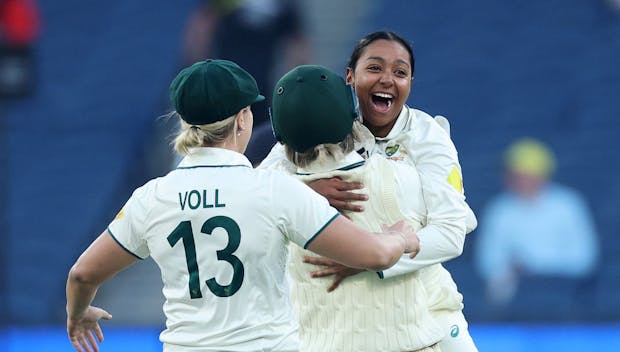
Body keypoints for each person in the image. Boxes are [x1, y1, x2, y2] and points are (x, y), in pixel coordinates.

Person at [64, 59, 421, 352]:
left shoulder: (152, 197)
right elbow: (374, 255)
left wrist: (78, 313)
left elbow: (83, 274)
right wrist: (401, 237)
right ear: (242, 120)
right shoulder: (274, 190)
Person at [261, 31, 478, 351]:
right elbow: (258, 187)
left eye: (400, 72)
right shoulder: (326, 123)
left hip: (431, 311)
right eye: (375, 68)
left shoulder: (427, 136)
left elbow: (451, 234)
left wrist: (371, 256)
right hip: (335, 323)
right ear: (350, 77)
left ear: (410, 84)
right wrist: (307, 190)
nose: (388, 79)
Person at [474, 138, 599, 307]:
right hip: (516, 297)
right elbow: (487, 261)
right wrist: (512, 270)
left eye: (526, 175)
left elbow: (584, 258)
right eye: (515, 175)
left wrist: (535, 267)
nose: (520, 181)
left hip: (566, 294)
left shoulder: (568, 205)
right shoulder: (499, 209)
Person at [181, 0, 309, 164]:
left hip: (260, 90)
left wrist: (296, 85)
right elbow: (202, 27)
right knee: (216, 145)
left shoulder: (281, 5)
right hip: (224, 88)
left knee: (258, 149)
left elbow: (297, 44)